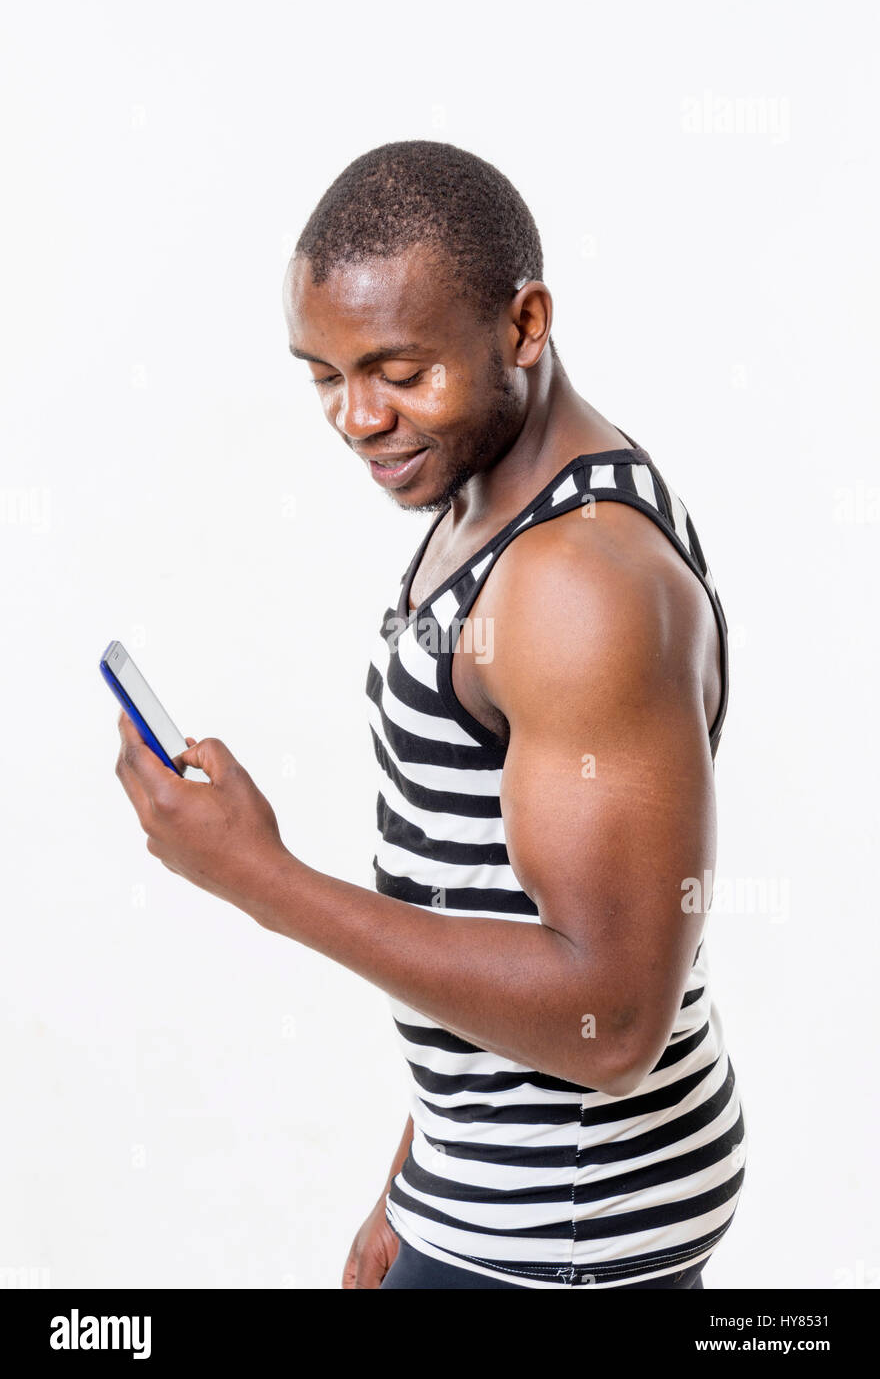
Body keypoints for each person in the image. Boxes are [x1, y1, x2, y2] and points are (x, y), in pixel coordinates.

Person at [114, 140, 746, 1289]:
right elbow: (486, 893)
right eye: (323, 374)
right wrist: (419, 1174)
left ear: (523, 325)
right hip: (497, 1192)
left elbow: (610, 1015)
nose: (358, 417)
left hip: (563, 1235)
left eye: (399, 370)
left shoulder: (579, 583)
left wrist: (263, 880)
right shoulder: (488, 494)